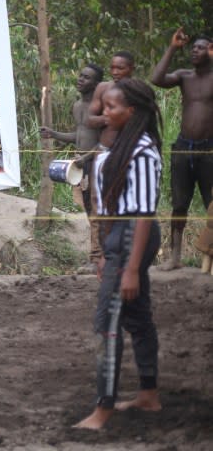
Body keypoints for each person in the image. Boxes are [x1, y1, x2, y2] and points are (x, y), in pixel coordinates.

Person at [74, 79, 163, 430]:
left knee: (107, 324)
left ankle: (104, 408)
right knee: (138, 316)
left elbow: (142, 213)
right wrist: (104, 252)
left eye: (111, 107)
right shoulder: (120, 145)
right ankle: (149, 395)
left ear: (133, 111)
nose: (103, 112)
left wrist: (128, 268)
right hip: (119, 238)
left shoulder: (142, 151)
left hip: (133, 237)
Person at [149, 27, 212, 270]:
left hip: (209, 151)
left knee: (212, 205)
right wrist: (173, 47)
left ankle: (210, 257)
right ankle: (175, 256)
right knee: (179, 204)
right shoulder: (184, 76)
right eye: (192, 48)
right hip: (183, 149)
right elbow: (156, 79)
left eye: (200, 48)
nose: (194, 51)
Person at [40, 63, 104, 264]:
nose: (80, 79)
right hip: (82, 164)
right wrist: (53, 134)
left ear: (97, 83)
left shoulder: (101, 106)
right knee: (87, 207)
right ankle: (98, 254)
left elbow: (106, 141)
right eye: (80, 75)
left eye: (86, 77)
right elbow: (79, 135)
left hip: (98, 164)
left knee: (97, 209)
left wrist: (86, 158)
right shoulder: (77, 106)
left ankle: (97, 257)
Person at [87, 51, 136, 148]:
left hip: (132, 147)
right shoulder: (103, 88)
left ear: (132, 69)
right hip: (105, 147)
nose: (115, 72)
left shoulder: (139, 90)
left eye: (120, 68)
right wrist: (115, 117)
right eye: (112, 68)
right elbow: (90, 120)